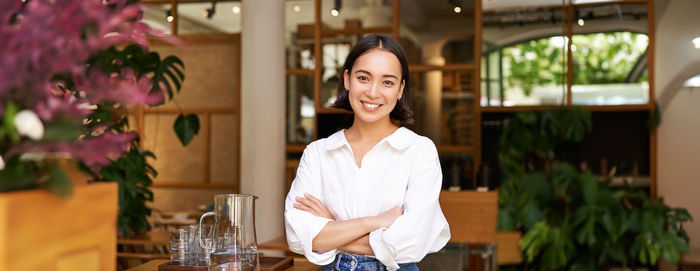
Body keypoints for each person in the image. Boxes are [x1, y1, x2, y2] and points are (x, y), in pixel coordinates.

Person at [284, 34, 450, 271]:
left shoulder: (419, 151)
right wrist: (375, 222)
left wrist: (331, 226)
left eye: (388, 82)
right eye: (363, 78)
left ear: (401, 89)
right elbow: (300, 237)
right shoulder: (317, 153)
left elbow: (409, 244)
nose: (373, 92)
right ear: (347, 79)